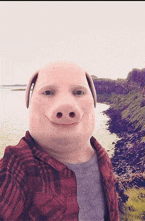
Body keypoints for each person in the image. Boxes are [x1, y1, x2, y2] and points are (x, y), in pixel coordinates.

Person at [0, 61, 119, 220]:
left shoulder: (101, 156)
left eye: (78, 92)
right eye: (48, 92)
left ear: (93, 100)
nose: (66, 108)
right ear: (30, 100)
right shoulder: (17, 165)